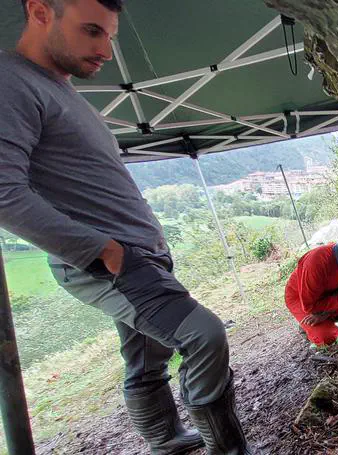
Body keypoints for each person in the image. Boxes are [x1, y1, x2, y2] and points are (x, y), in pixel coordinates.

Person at [0, 1, 254, 453]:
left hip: (134, 254)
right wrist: (106, 250)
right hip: (111, 262)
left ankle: (166, 438)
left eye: (110, 38)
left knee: (147, 353)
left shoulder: (58, 87)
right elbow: (4, 193)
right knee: (204, 336)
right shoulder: (11, 81)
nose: (106, 52)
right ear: (40, 12)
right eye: (91, 31)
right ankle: (229, 449)